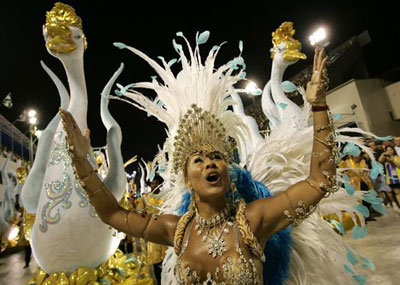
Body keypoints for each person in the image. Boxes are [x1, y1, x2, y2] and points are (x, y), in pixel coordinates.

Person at [60, 45, 338, 284]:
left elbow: (319, 181)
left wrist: (319, 106)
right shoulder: (175, 230)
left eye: (217, 157)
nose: (210, 164)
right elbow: (111, 214)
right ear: (187, 180)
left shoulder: (255, 220)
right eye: (199, 160)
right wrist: (82, 162)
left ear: (228, 171)